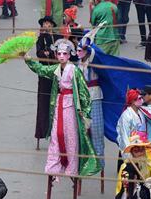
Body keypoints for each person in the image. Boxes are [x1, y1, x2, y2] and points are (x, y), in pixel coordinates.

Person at [24, 38, 100, 178]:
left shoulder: (74, 71)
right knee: (56, 135)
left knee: (70, 135)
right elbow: (42, 69)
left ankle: (72, 167)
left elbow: (84, 93)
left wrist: (85, 113)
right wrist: (29, 60)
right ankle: (54, 166)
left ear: (69, 55)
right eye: (59, 54)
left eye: (64, 54)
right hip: (59, 103)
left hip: (71, 105)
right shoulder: (56, 69)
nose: (61, 56)